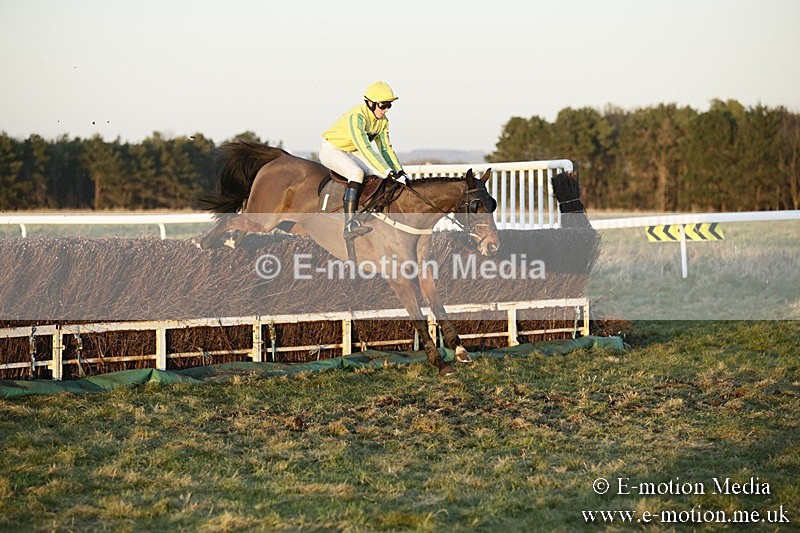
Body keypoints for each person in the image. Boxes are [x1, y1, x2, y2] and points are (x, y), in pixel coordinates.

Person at [320, 81, 410, 240]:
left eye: (389, 105)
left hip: (351, 151)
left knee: (381, 176)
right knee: (356, 173)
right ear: (370, 103)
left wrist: (399, 171)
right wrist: (387, 171)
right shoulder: (357, 117)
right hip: (332, 149)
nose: (386, 110)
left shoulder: (383, 122)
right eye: (383, 105)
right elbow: (365, 149)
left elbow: (386, 149)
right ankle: (349, 224)